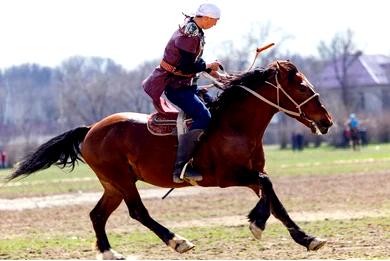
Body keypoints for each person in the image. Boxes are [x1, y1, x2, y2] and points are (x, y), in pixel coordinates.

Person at [142, 3, 222, 183]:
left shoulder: (194, 30)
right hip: (177, 89)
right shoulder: (190, 34)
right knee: (204, 117)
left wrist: (209, 70)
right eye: (215, 21)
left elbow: (191, 60)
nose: (215, 25)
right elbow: (186, 65)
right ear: (206, 18)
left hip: (186, 86)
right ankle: (182, 168)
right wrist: (208, 66)